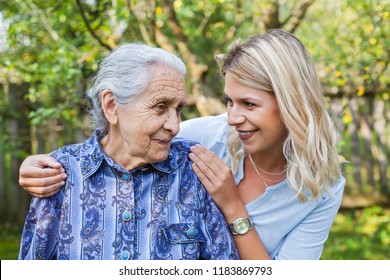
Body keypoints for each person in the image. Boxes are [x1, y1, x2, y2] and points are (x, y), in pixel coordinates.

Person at [19, 29, 345, 260]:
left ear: (291, 104)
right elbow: (125, 140)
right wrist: (39, 165)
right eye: (229, 101)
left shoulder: (324, 188)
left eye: (248, 104)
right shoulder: (204, 137)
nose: (232, 118)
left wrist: (232, 207)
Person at [18, 43, 239, 260]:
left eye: (179, 110)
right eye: (160, 106)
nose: (175, 125)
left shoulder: (193, 168)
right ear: (111, 105)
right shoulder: (61, 174)